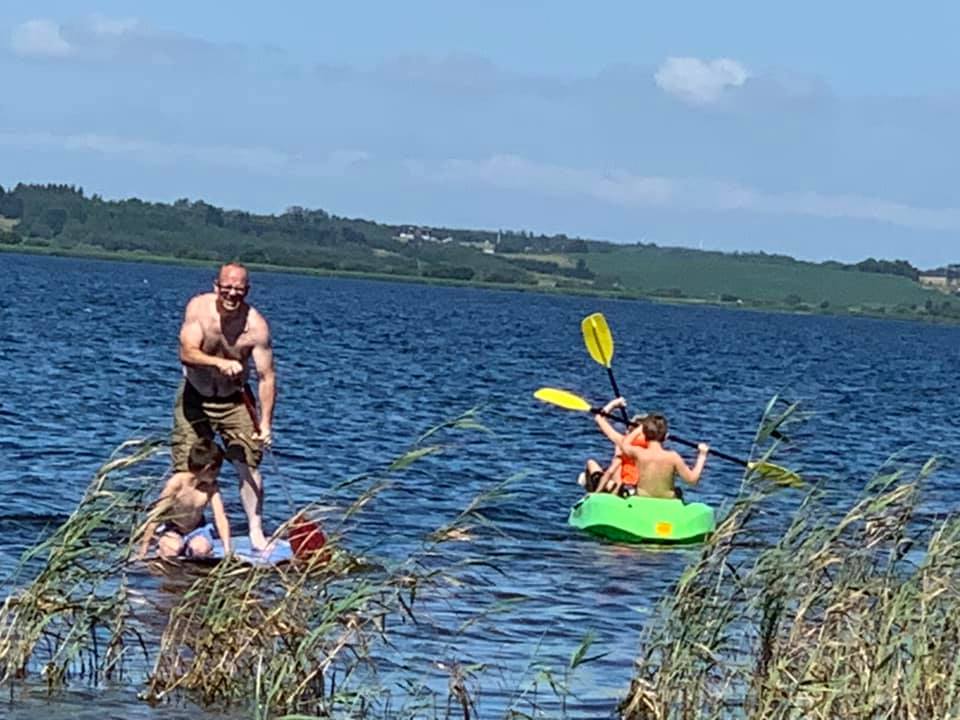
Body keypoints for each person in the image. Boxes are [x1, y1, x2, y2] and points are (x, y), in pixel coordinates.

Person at [172, 262, 276, 550]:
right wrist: (219, 362)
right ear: (216, 286)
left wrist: (266, 423)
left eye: (239, 290)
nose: (232, 295)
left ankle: (256, 530)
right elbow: (187, 353)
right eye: (227, 288)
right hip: (196, 395)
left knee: (249, 462)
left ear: (247, 291)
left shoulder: (255, 327)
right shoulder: (199, 310)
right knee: (187, 466)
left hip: (234, 400)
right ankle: (183, 528)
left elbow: (266, 378)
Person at [592, 398, 709, 499]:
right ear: (664, 436)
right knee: (678, 491)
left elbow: (624, 444)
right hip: (666, 501)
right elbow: (692, 480)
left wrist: (639, 429)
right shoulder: (673, 457)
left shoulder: (639, 453)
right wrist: (702, 455)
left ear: (645, 432)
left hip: (642, 499)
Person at [138, 438, 232, 559]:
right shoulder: (176, 484)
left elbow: (220, 518)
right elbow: (156, 515)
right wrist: (143, 549)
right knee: (172, 549)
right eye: (217, 470)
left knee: (200, 549)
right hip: (173, 529)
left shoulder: (211, 487)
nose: (218, 475)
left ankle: (192, 551)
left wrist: (228, 550)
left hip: (197, 530)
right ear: (208, 468)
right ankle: (164, 548)